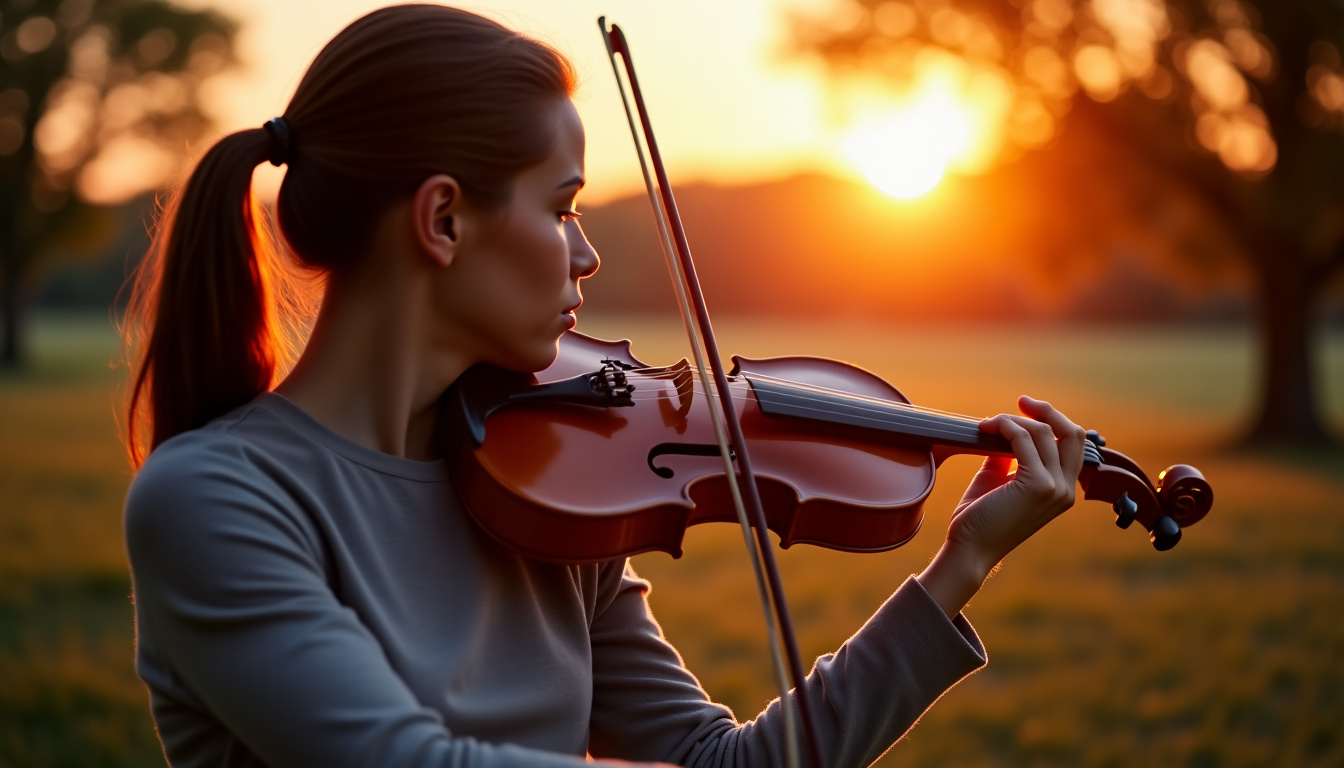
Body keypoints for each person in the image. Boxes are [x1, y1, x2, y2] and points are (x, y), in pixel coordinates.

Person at [122, 5, 1086, 767]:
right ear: (443, 220)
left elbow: (718, 761)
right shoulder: (214, 499)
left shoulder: (548, 479)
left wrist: (961, 564)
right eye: (562, 207)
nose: (585, 255)